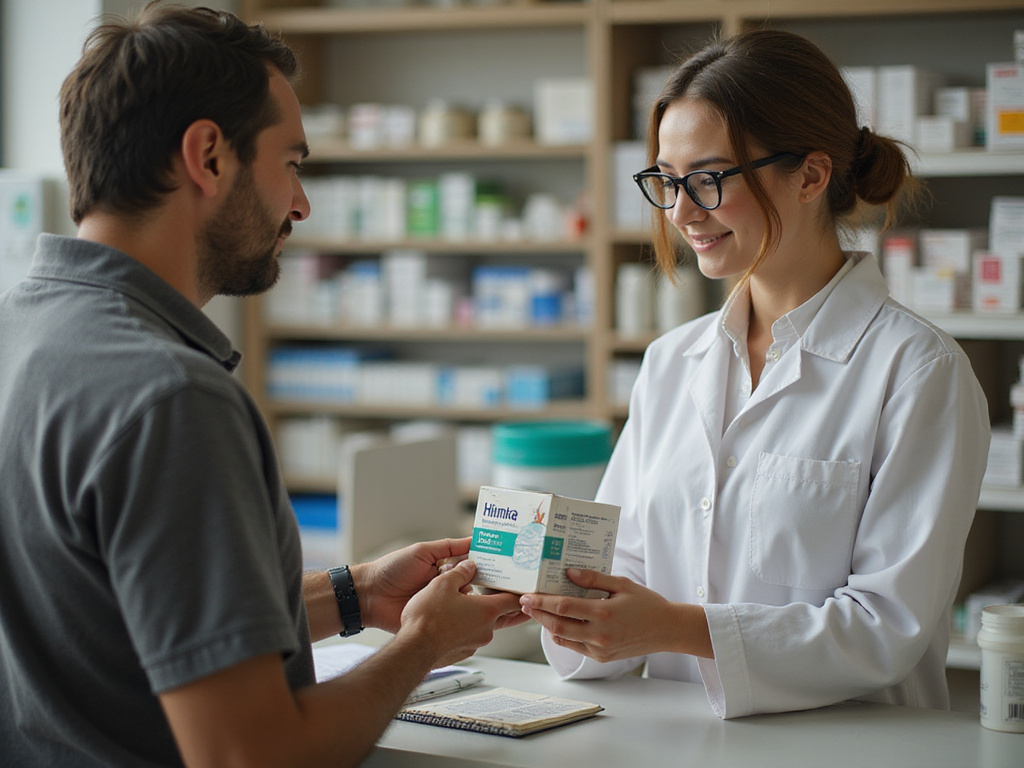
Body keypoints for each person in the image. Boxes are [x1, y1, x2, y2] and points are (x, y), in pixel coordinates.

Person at [0, 4, 526, 767]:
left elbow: (113, 621)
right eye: (292, 163)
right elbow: (250, 755)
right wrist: (422, 645)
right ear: (208, 156)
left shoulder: (19, 333)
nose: (301, 204)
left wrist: (355, 594)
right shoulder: (170, 398)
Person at [518, 29, 991, 719]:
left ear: (810, 176)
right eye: (667, 182)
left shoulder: (918, 371)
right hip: (680, 743)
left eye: (708, 179)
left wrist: (674, 629)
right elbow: (628, 567)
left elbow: (886, 626)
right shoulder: (671, 362)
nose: (681, 212)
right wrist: (544, 594)